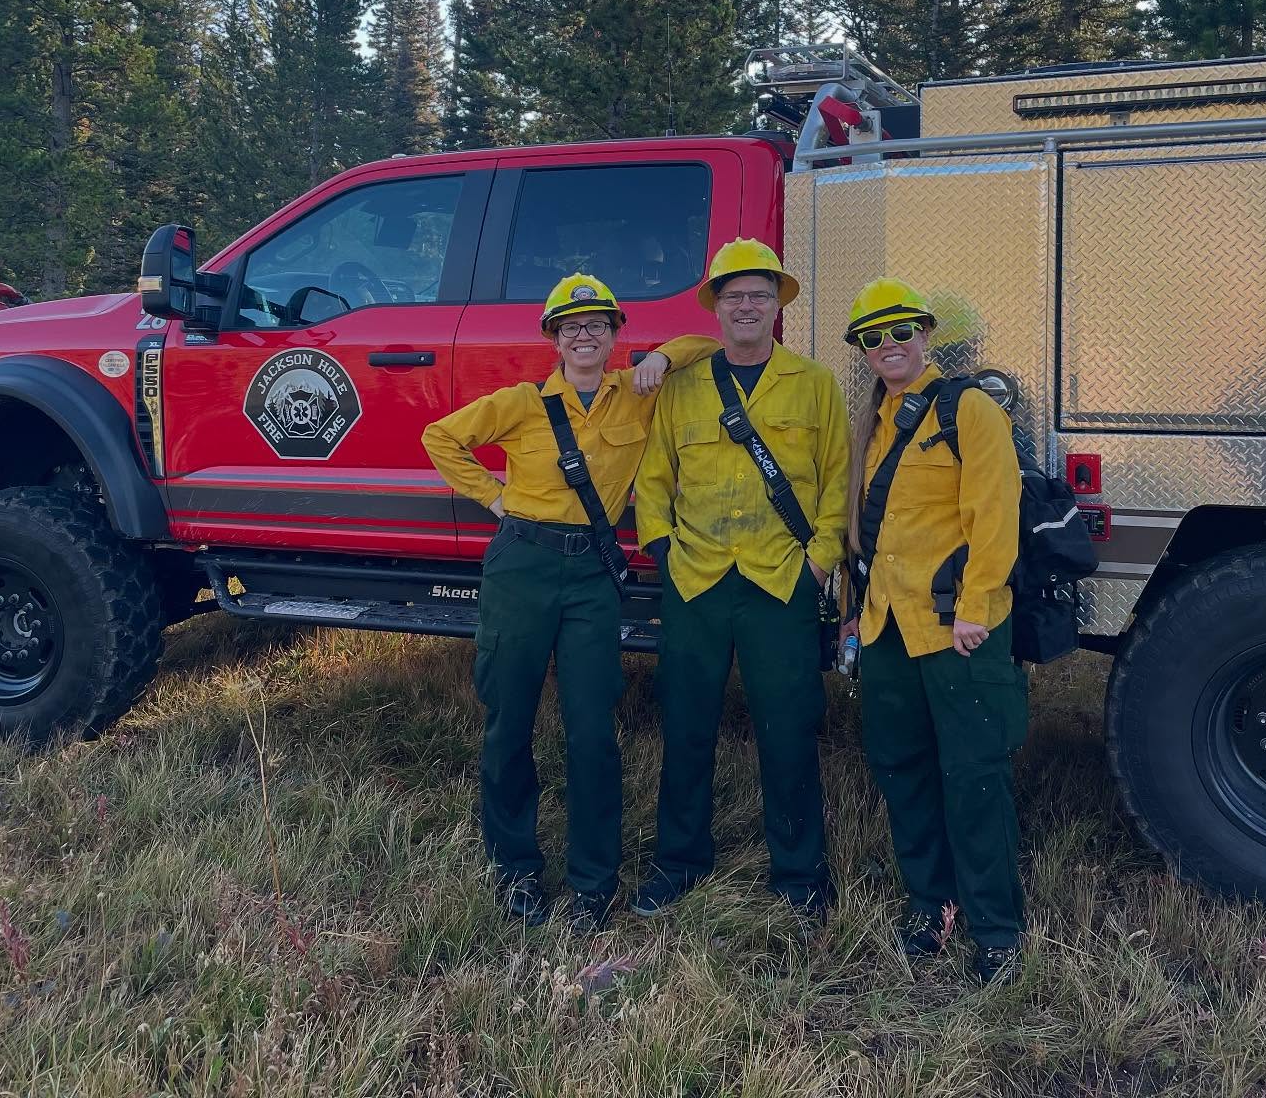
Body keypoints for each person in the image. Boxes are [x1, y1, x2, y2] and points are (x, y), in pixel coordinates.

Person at [421, 274, 716, 931]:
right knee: (509, 721)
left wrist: (664, 354)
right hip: (521, 567)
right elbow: (441, 438)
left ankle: (592, 882)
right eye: (570, 327)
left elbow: (707, 343)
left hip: (589, 577)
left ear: (617, 336)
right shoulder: (523, 403)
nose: (584, 336)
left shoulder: (636, 394)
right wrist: (494, 499)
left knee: (591, 732)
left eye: (597, 325)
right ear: (554, 340)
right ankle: (516, 869)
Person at [630, 238, 849, 919]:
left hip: (781, 581)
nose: (747, 306)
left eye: (759, 295)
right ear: (716, 310)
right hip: (695, 580)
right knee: (687, 729)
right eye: (734, 297)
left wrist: (819, 562)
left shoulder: (813, 384)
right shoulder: (685, 384)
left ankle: (799, 875)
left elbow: (839, 479)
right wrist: (664, 552)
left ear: (777, 306)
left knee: (788, 730)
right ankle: (679, 864)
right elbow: (654, 476)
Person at [838, 277, 1028, 984]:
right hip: (887, 624)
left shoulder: (968, 408)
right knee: (902, 769)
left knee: (974, 775)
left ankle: (997, 930)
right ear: (861, 350)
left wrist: (978, 607)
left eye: (900, 332)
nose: (888, 345)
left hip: (957, 628)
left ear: (926, 335)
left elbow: (994, 513)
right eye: (873, 337)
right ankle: (931, 904)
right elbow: (872, 532)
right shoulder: (873, 420)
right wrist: (854, 613)